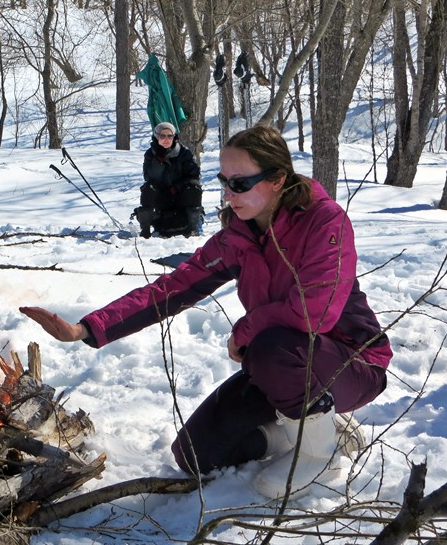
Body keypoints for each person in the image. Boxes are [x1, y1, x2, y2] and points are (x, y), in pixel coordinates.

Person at [20, 125, 391, 500]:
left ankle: (318, 456)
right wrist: (85, 329)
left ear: (278, 179)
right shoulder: (239, 236)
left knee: (272, 345)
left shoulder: (324, 221)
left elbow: (316, 315)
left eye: (241, 183)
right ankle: (323, 429)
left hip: (350, 363)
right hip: (282, 367)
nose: (229, 194)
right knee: (196, 454)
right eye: (224, 181)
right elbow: (173, 288)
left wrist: (246, 330)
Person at [133, 122, 202, 238]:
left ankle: (193, 228)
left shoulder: (184, 153)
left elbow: (194, 174)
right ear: (156, 137)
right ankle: (145, 230)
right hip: (161, 196)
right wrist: (159, 162)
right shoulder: (150, 154)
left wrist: (177, 187)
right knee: (148, 188)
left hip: (181, 195)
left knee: (194, 187)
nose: (166, 139)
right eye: (162, 136)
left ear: (174, 137)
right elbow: (148, 177)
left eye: (169, 136)